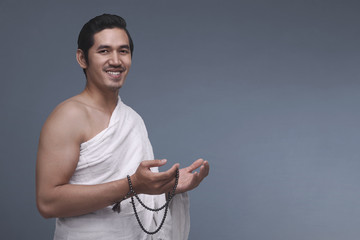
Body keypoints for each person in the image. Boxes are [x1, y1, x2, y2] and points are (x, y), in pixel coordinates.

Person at [36, 14, 209, 239]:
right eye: (104, 51)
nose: (116, 60)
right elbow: (48, 203)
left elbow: (139, 196)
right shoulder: (68, 116)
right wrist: (133, 185)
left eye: (123, 51)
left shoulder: (132, 118)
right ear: (82, 58)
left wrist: (166, 187)